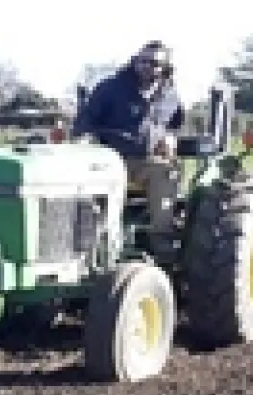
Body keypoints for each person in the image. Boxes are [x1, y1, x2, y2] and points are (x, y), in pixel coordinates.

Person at [74, 41, 186, 261]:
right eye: (142, 61)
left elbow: (175, 125)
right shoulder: (110, 88)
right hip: (110, 158)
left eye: (154, 63)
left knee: (166, 172)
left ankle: (161, 243)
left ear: (164, 68)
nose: (147, 66)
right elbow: (85, 121)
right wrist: (87, 138)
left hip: (146, 162)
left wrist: (170, 137)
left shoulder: (170, 96)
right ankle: (103, 246)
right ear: (134, 61)